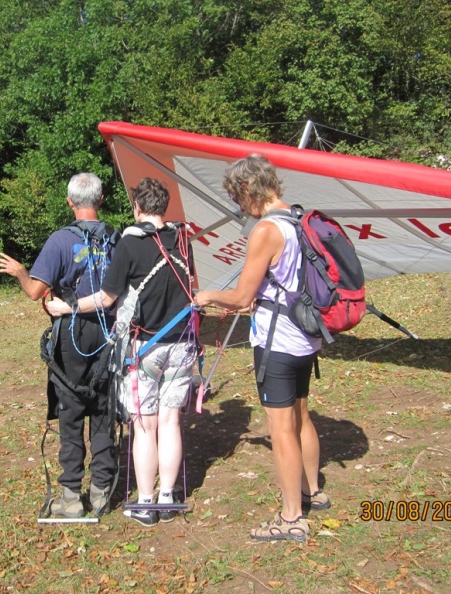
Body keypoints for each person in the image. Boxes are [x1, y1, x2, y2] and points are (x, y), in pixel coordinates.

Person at [194, 154, 329, 543]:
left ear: (249, 190)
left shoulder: (267, 230)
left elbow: (240, 297)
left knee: (281, 426)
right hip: (306, 337)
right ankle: (312, 491)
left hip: (277, 342)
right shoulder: (299, 219)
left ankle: (291, 519)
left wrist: (207, 296)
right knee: (302, 414)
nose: (241, 209)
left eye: (239, 200)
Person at [47, 177, 198, 527]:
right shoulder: (184, 239)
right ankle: (168, 497)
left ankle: (145, 502)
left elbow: (107, 298)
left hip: (146, 343)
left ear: (138, 208)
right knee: (171, 421)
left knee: (145, 426)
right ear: (165, 207)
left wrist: (68, 307)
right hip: (182, 343)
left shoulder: (130, 244)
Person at [0, 172, 118, 519]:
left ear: (69, 202)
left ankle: (70, 496)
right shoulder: (115, 237)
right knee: (103, 408)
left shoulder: (60, 241)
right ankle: (102, 489)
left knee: (72, 406)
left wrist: (21, 271)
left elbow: (36, 291)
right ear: (101, 199)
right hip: (108, 329)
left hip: (71, 330)